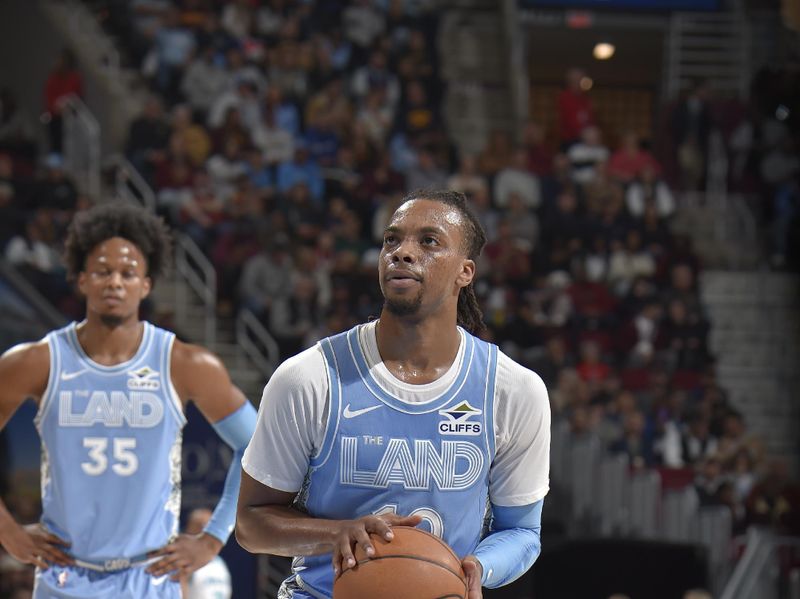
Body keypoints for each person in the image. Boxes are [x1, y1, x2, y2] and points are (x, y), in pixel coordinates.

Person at [236, 189, 551, 599]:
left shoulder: (513, 389)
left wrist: (478, 566)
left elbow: (522, 531)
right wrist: (336, 535)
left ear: (465, 271)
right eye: (392, 240)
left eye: (428, 241)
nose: (402, 252)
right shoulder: (309, 377)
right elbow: (251, 523)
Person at [0, 202, 257, 598]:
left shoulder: (186, 364)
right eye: (103, 271)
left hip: (149, 577)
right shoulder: (36, 362)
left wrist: (212, 538)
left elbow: (257, 444)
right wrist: (8, 533)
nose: (115, 282)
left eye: (128, 273)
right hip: (65, 576)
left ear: (146, 285)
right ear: (81, 279)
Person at [181, 509, 232, 599]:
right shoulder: (185, 559)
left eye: (209, 526)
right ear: (189, 529)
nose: (205, 531)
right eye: (200, 526)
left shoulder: (220, 562)